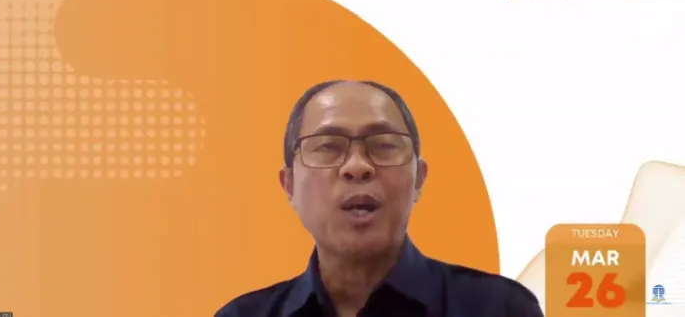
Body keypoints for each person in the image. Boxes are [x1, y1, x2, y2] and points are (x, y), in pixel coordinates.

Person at [216, 80, 543, 317]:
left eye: (384, 145)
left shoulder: (499, 308)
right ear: (289, 185)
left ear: (419, 179)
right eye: (328, 146)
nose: (357, 166)